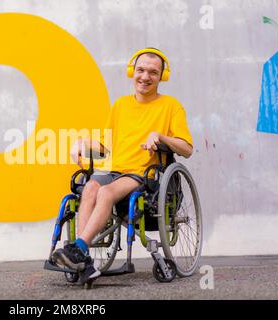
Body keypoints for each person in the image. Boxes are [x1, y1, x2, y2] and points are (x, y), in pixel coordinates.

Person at [52, 48, 194, 284]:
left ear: (162, 77)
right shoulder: (120, 105)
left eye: (153, 72)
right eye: (140, 70)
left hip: (142, 174)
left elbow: (186, 148)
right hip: (113, 169)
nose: (145, 77)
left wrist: (160, 137)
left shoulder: (171, 106)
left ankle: (78, 248)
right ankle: (82, 256)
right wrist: (81, 143)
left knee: (106, 192)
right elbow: (105, 148)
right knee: (89, 188)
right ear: (132, 72)